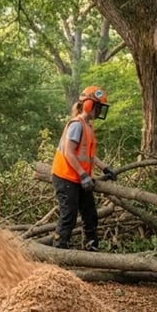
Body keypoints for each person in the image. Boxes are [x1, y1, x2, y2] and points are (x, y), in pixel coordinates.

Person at [50, 85, 118, 251]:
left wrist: (104, 168)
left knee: (90, 214)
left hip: (79, 177)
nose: (100, 111)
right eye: (99, 107)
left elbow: (88, 155)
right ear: (88, 105)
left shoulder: (88, 126)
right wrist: (83, 175)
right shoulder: (77, 125)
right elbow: (69, 152)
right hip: (66, 177)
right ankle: (58, 249)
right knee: (69, 215)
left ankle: (91, 246)